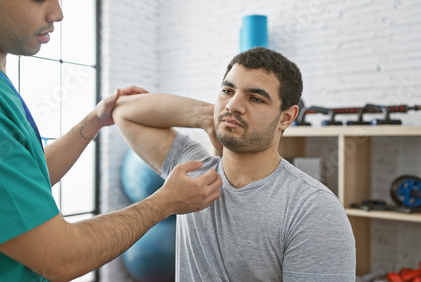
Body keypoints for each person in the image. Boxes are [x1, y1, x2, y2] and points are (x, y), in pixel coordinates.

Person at [0, 0, 222, 281]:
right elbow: (61, 257)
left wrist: (92, 122)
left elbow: (21, 179)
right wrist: (165, 201)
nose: (57, 13)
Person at [113, 47, 357, 281]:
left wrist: (227, 113)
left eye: (255, 98)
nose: (233, 105)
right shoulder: (192, 170)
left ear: (286, 117)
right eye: (228, 91)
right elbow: (123, 111)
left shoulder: (314, 209)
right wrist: (208, 116)